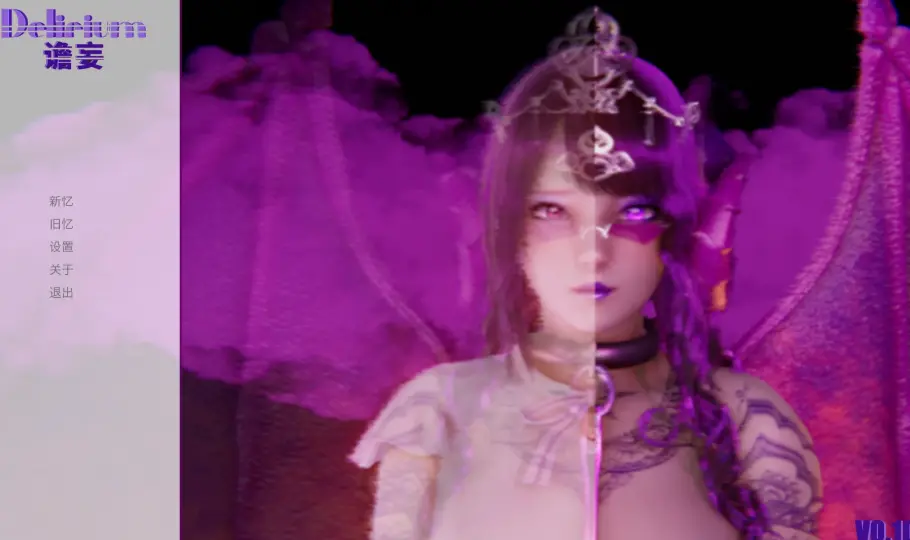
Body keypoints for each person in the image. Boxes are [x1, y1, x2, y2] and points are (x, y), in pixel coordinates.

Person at [349, 8, 822, 540]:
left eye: (634, 213)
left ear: (673, 230)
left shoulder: (748, 418)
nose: (592, 253)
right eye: (553, 211)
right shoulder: (437, 412)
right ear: (511, 230)